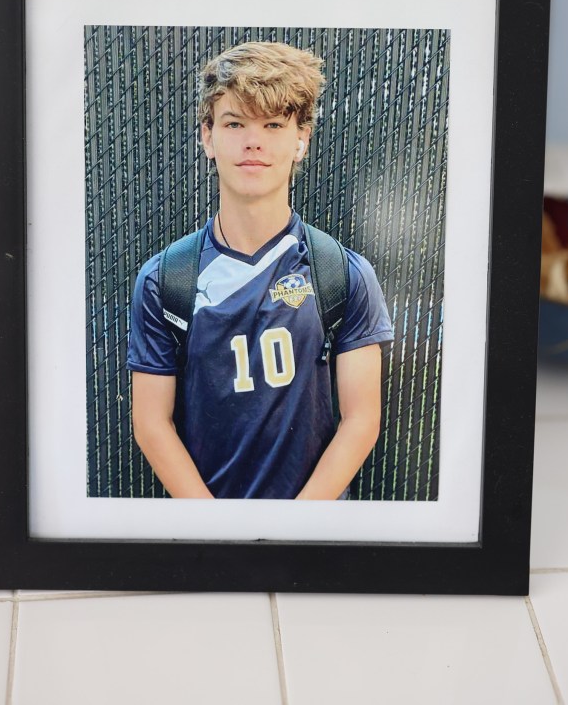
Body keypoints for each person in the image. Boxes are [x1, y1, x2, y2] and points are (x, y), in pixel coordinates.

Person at [127, 41, 393, 499]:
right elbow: (152, 424)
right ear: (207, 137)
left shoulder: (341, 273)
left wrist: (296, 527)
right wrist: (219, 532)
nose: (254, 141)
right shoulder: (165, 280)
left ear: (301, 140)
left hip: (314, 537)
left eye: (273, 124)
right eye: (235, 123)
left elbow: (362, 420)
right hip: (209, 540)